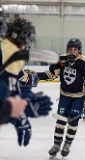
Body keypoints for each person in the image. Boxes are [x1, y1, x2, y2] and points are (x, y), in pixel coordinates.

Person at [35, 38, 85, 158]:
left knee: (73, 121)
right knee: (61, 121)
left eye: (75, 50)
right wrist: (36, 75)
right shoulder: (61, 59)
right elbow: (51, 74)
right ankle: (56, 145)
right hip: (64, 97)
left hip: (78, 98)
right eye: (70, 49)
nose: (72, 52)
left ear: (79, 51)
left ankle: (67, 144)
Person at [0, 16, 52, 146]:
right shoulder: (12, 51)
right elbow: (11, 96)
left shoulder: (5, 43)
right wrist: (22, 118)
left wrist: (27, 76)